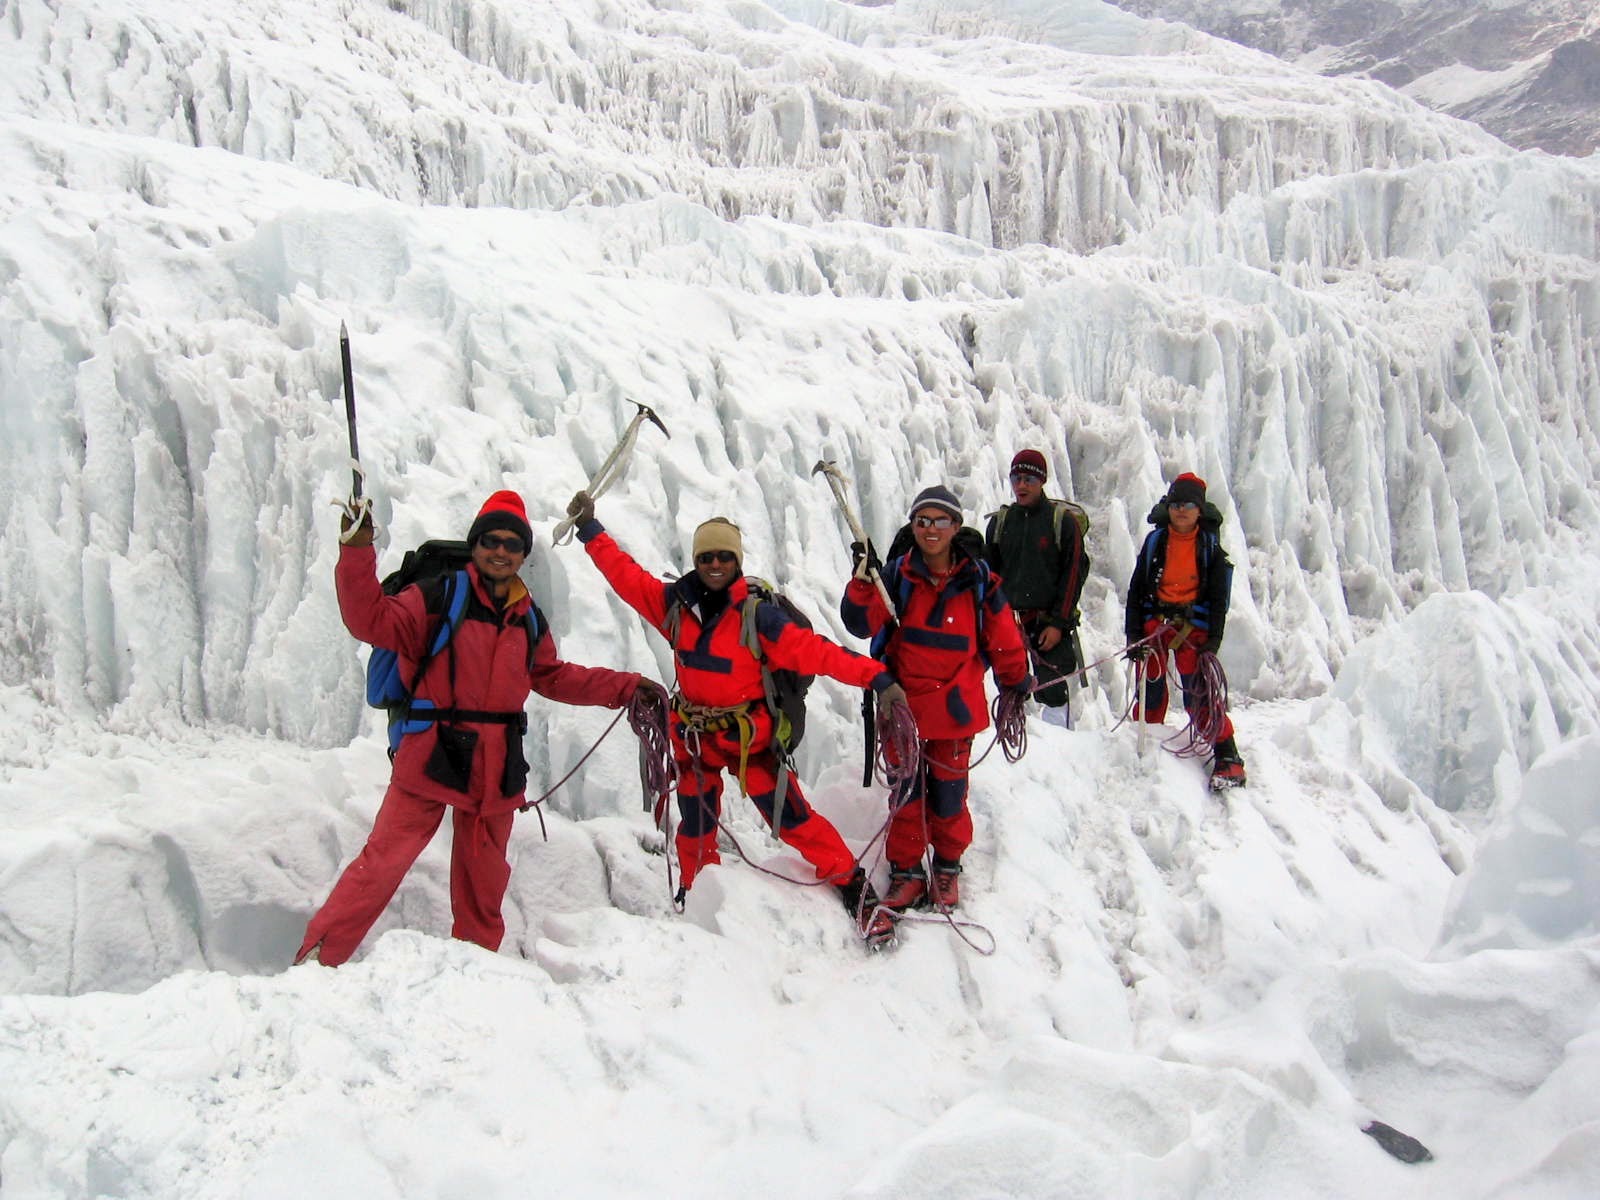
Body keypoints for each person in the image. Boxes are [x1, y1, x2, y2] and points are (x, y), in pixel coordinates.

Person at [297, 490, 653, 966]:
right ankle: (319, 959)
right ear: (476, 543)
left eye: (511, 543)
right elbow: (371, 618)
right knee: (382, 863)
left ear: (524, 553)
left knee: (484, 885)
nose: (501, 551)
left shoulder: (528, 618)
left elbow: (551, 676)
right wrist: (357, 547)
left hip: (495, 763)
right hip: (431, 750)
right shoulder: (437, 595)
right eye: (491, 540)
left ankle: (474, 973)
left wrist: (627, 687)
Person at [565, 490, 904, 946]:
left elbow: (817, 653)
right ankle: (700, 893)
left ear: (738, 560)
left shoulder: (757, 617)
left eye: (725, 555)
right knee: (696, 822)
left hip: (751, 742)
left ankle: (853, 886)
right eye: (707, 555)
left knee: (793, 819)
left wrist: (876, 678)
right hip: (697, 740)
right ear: (696, 559)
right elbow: (626, 577)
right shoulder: (673, 607)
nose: (715, 563)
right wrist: (590, 532)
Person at [840, 484, 1029, 911]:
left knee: (948, 795)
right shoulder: (893, 578)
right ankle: (907, 871)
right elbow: (859, 623)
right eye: (922, 520)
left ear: (956, 527)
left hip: (954, 710)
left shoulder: (979, 582)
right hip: (902, 706)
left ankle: (946, 866)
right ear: (913, 525)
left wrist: (1016, 681)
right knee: (906, 795)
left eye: (940, 520)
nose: (930, 529)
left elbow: (1003, 639)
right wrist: (861, 582)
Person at [1124, 472, 1247, 788]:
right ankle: (1147, 744)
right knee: (1150, 685)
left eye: (1189, 504)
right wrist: (1133, 634)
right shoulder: (1156, 542)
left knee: (1198, 694)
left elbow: (1219, 597)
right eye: (1177, 503)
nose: (1181, 510)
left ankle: (1227, 755)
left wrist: (1214, 639)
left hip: (1193, 628)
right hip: (1157, 624)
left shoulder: (1210, 549)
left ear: (1199, 509)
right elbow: (1137, 590)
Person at [984, 448, 1091, 728]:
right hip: (1009, 623)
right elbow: (989, 577)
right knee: (1008, 685)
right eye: (1016, 478)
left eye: (1028, 479)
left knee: (1053, 690)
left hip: (1047, 622)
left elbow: (1073, 576)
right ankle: (1015, 742)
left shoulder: (1062, 523)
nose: (1021, 485)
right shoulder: (1000, 523)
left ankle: (1059, 752)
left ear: (1041, 481)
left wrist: (1058, 622)